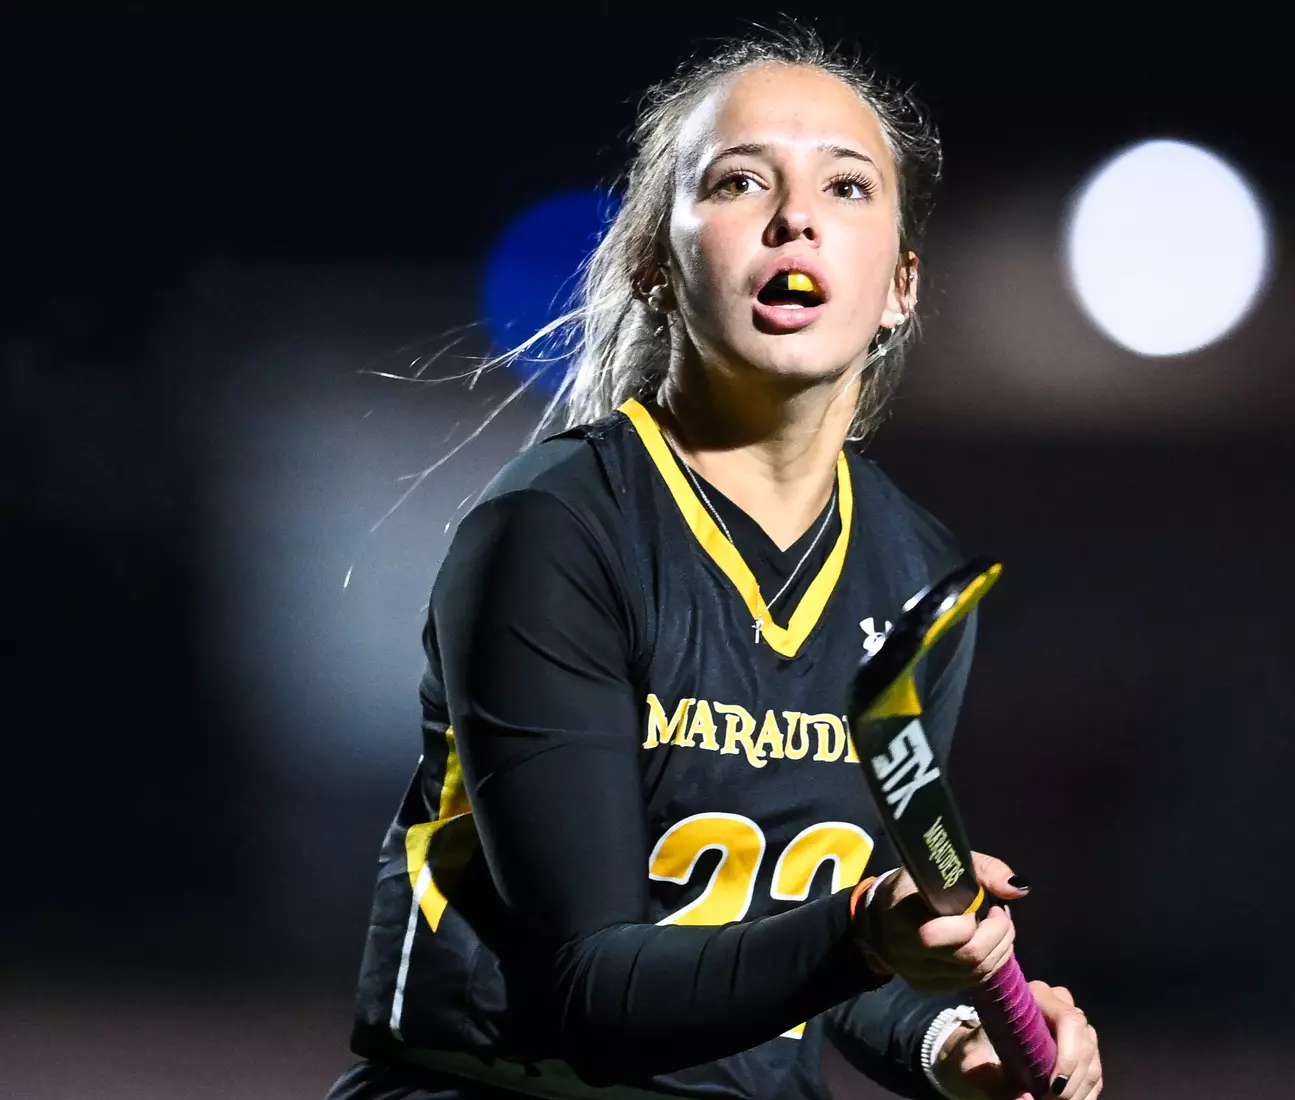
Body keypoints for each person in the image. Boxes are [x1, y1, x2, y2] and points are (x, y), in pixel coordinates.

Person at [327, 28, 1102, 1100]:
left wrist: (944, 1040)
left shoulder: (914, 573)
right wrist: (865, 927)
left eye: (846, 187)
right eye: (740, 181)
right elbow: (593, 985)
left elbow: (813, 952)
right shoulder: (556, 532)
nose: (796, 218)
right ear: (654, 262)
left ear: (900, 286)